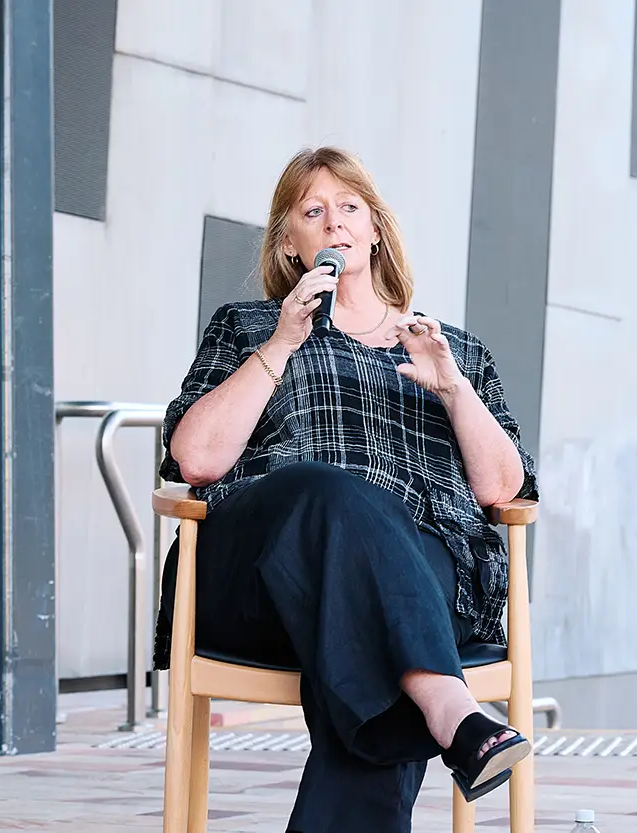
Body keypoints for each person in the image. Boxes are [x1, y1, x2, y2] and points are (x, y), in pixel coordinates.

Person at [155, 146, 538, 833]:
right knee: (326, 493)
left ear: (375, 230)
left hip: (420, 588)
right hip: (263, 581)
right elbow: (196, 459)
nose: (334, 222)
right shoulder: (248, 328)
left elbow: (503, 486)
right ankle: (451, 709)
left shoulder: (454, 349)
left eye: (349, 207)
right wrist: (280, 345)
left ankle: (433, 703)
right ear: (291, 243)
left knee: (380, 598)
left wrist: (453, 388)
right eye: (312, 211)